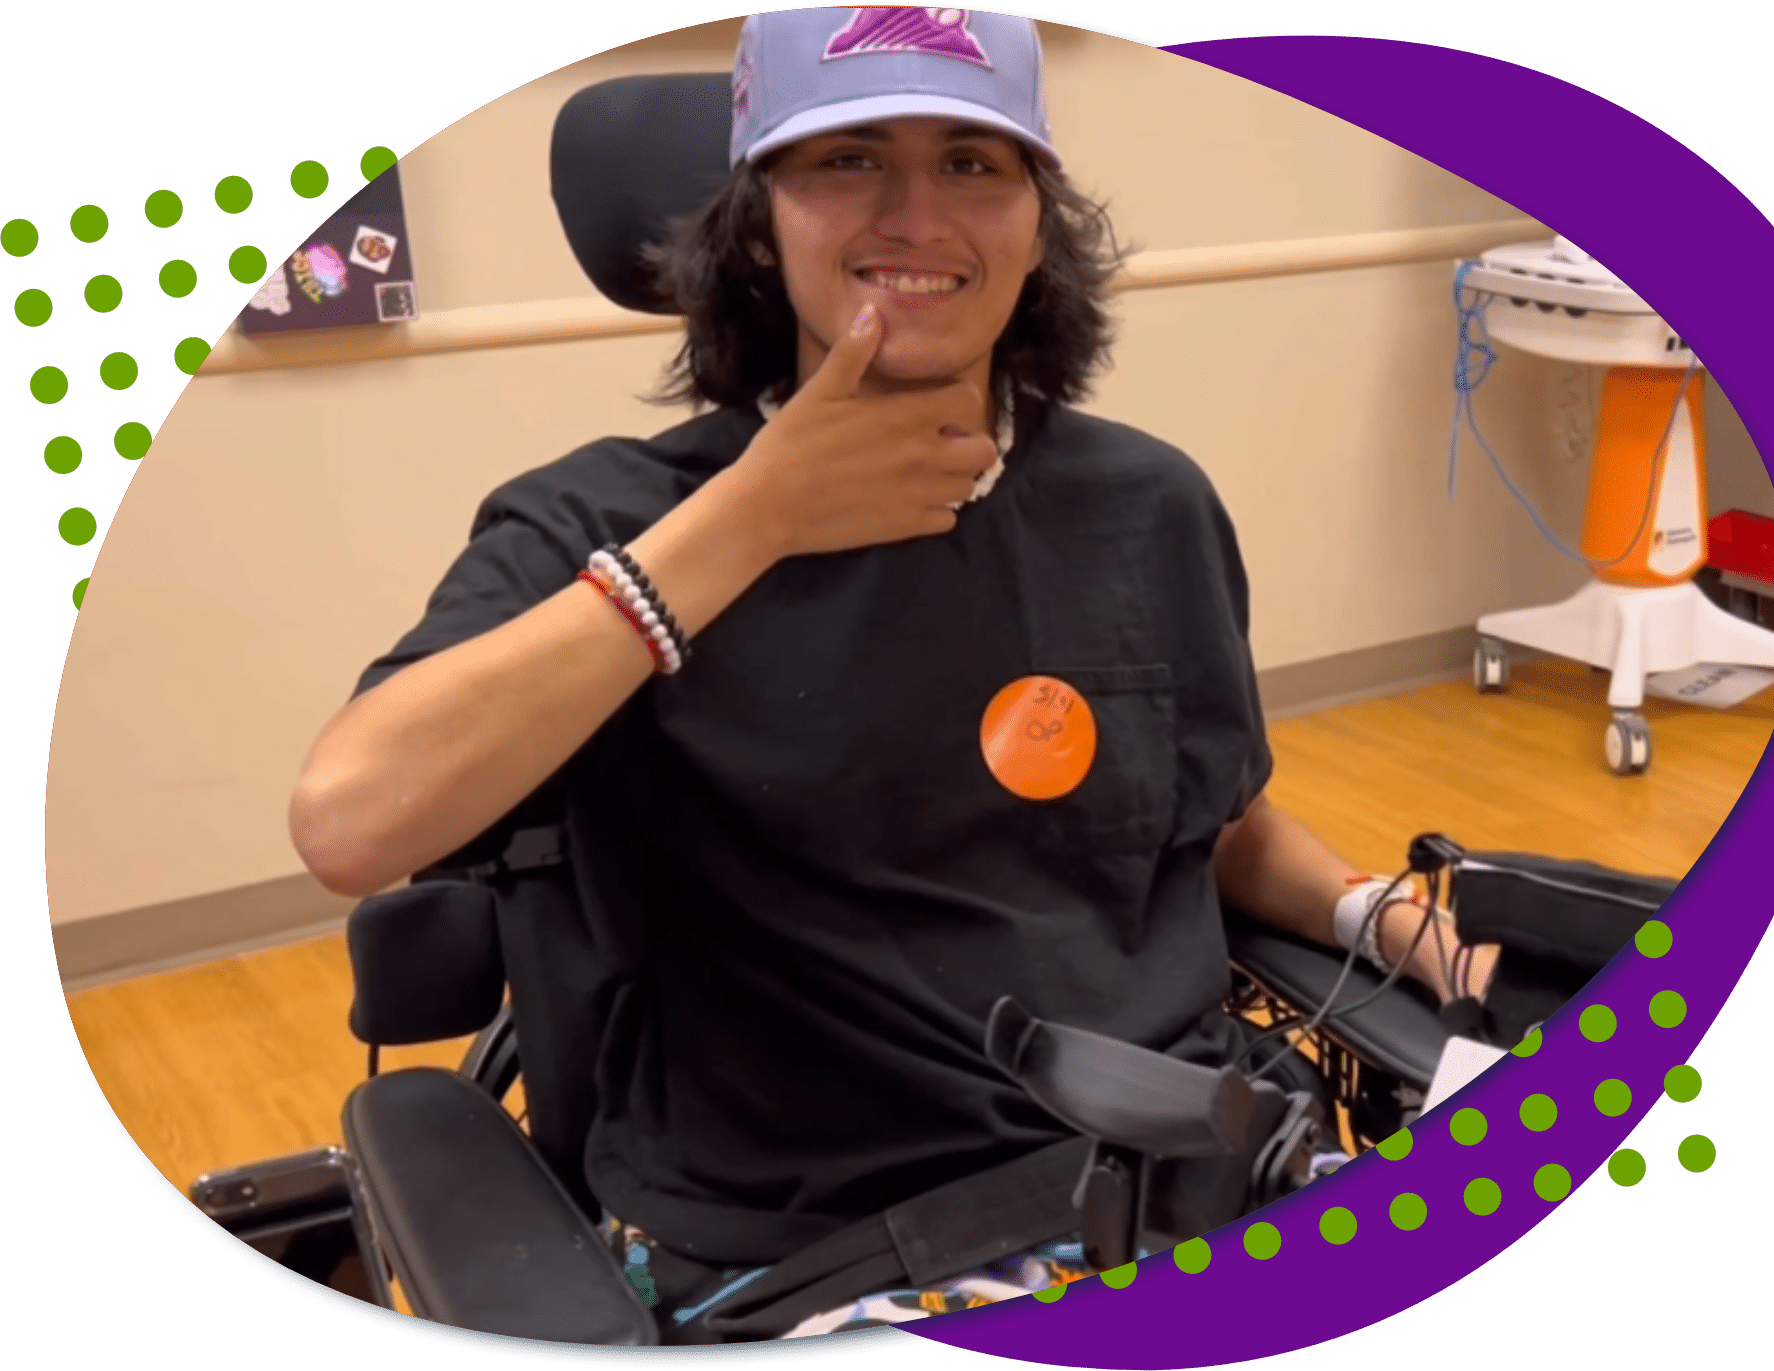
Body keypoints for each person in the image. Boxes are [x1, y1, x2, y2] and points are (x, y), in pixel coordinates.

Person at [290, 8, 1493, 1341]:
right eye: (847, 159)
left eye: (974, 163)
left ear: (1039, 221)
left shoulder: (1144, 503)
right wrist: (750, 523)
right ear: (757, 220)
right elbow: (352, 821)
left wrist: (1383, 918)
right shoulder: (610, 523)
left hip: (1196, 1175)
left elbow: (1196, 818)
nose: (917, 213)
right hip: (824, 1252)